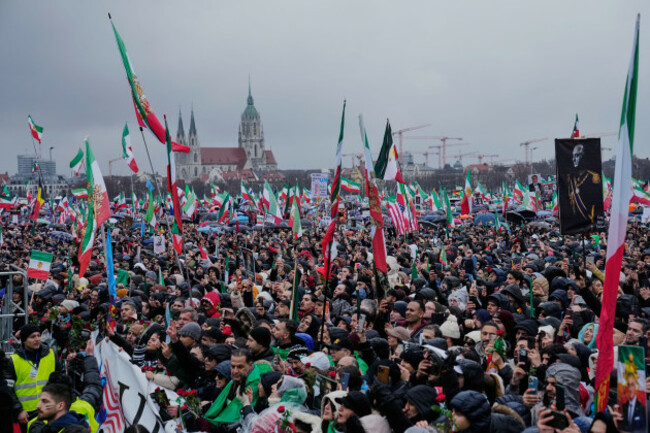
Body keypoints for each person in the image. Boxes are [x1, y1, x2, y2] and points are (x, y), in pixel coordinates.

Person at [8, 324, 63, 425]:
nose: (37, 339)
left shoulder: (51, 354)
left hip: (49, 408)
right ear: (24, 340)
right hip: (27, 414)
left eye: (38, 335)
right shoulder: (13, 360)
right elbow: (9, 390)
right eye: (33, 336)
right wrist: (19, 410)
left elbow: (61, 379)